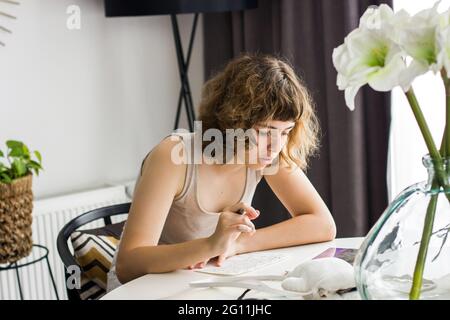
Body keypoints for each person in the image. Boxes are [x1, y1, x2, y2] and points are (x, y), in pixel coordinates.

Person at [106, 53, 336, 292]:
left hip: (198, 281)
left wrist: (237, 245)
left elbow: (322, 225)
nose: (276, 145)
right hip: (141, 289)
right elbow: (128, 265)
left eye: (286, 131)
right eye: (266, 131)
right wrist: (210, 245)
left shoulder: (266, 155)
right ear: (234, 120)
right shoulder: (174, 156)